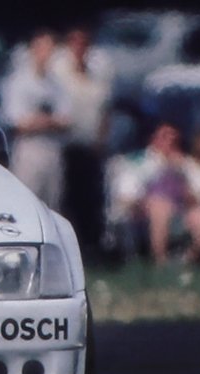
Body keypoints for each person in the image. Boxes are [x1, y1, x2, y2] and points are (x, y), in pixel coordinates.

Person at [108, 122, 200, 264]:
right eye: (165, 137)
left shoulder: (182, 164)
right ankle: (160, 261)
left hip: (178, 214)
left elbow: (195, 197)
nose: (170, 142)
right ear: (153, 138)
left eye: (174, 140)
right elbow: (126, 199)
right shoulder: (138, 162)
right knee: (159, 205)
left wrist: (182, 176)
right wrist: (149, 203)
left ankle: (187, 259)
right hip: (140, 215)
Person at [52, 27, 113, 251]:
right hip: (64, 145)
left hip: (90, 145)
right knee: (66, 196)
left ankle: (91, 244)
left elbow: (105, 109)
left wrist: (101, 139)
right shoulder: (58, 71)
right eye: (75, 43)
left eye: (84, 43)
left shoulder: (97, 74)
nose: (80, 48)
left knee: (90, 196)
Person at [1, 29, 72, 211]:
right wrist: (46, 122)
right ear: (34, 49)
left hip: (52, 150)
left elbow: (65, 120)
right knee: (27, 203)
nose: (47, 54)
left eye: (51, 49)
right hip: (29, 149)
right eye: (43, 49)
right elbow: (16, 122)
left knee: (53, 205)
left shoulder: (57, 84)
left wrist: (41, 121)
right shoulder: (19, 82)